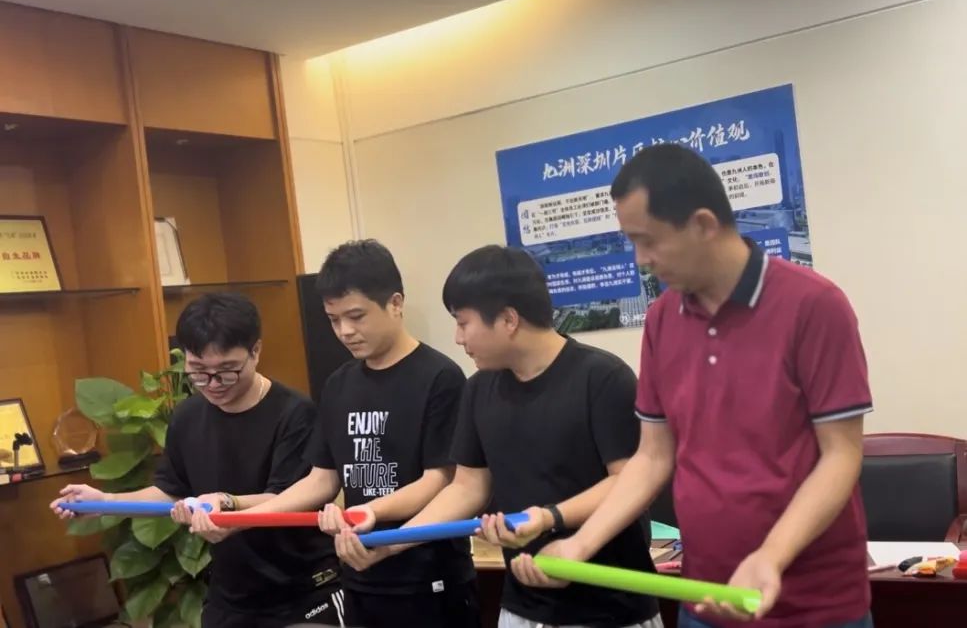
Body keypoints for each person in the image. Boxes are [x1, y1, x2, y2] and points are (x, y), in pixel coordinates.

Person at [514, 144, 874, 628]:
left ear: (703, 224)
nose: (641, 260)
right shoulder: (662, 319)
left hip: (814, 605)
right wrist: (580, 544)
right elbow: (652, 457)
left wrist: (770, 555)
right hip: (701, 594)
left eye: (648, 241)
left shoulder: (814, 305)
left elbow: (841, 456)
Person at [333, 245, 664, 628]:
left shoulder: (602, 378)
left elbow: (629, 480)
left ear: (508, 319)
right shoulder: (479, 389)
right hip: (521, 607)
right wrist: (393, 543)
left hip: (612, 609)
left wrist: (549, 518)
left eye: (463, 323)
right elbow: (466, 488)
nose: (458, 338)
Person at [51, 292, 344, 628]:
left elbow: (283, 499)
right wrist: (107, 502)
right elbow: (171, 490)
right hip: (230, 595)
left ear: (256, 351)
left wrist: (227, 506)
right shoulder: (187, 416)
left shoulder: (295, 413)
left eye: (227, 371)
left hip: (303, 591)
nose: (213, 384)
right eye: (199, 372)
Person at [244, 239, 479, 628]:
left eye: (356, 316)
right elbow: (321, 480)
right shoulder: (338, 384)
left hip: (427, 580)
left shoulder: (440, 377)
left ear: (395, 303)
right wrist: (245, 518)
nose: (345, 331)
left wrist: (368, 514)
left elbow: (440, 479)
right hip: (359, 576)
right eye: (334, 319)